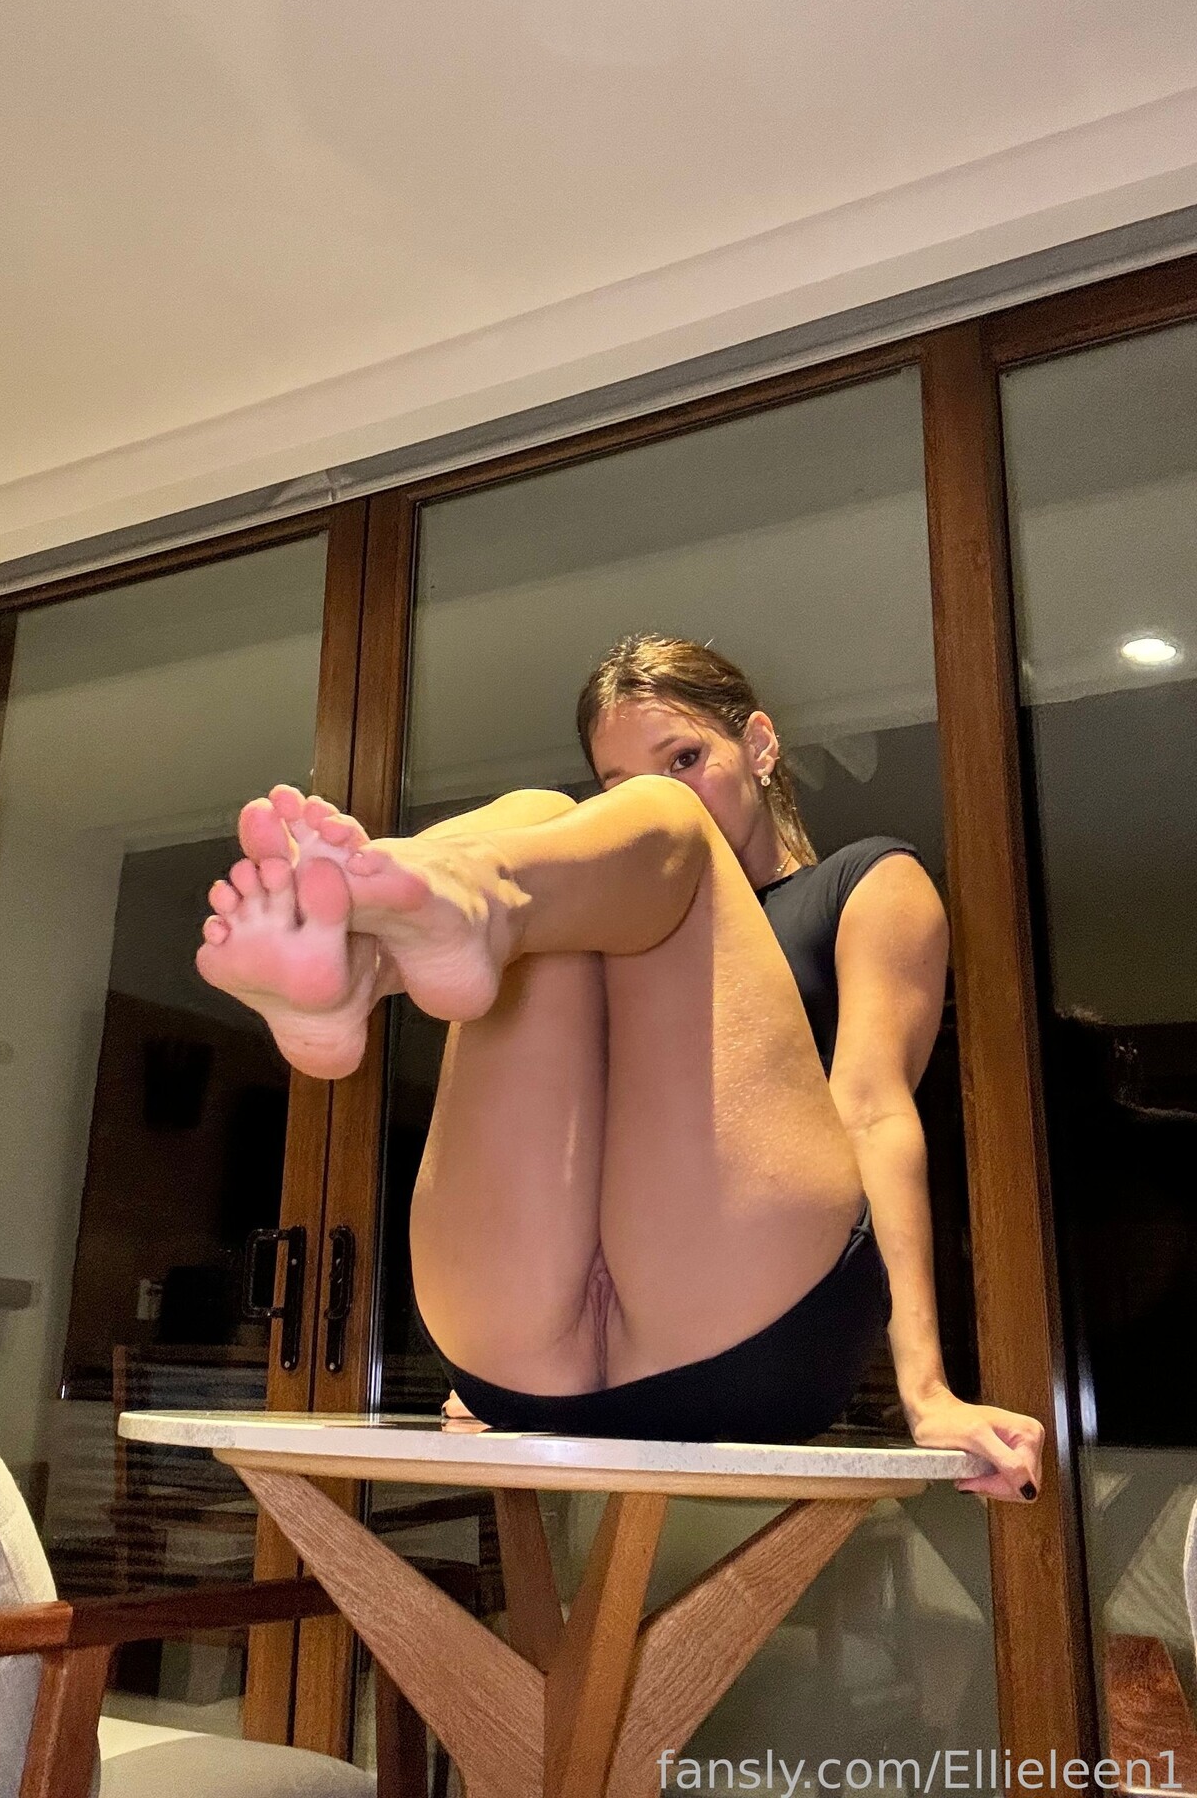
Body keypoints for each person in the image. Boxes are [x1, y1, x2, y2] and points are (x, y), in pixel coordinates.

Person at [194, 632, 1043, 1504]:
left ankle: (391, 934)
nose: (657, 790)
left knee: (639, 829)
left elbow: (872, 1111)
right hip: (519, 1358)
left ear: (758, 744)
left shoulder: (867, 883)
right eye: (619, 785)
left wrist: (926, 1391)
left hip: (756, 1335)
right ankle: (369, 957)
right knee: (536, 813)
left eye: (685, 758)